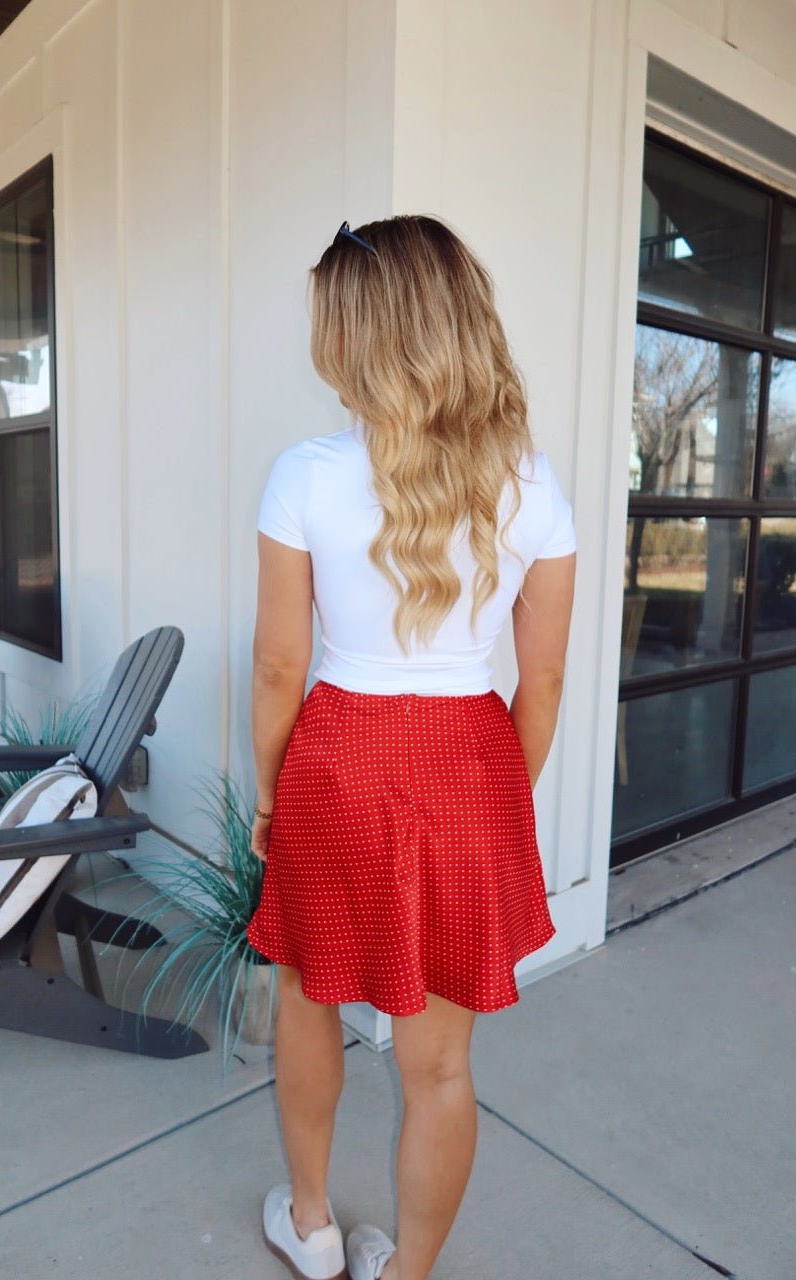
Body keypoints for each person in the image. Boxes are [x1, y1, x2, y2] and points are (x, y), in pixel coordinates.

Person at [246, 215, 576, 1280]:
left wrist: (270, 794)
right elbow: (547, 680)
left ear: (362, 336)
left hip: (335, 762)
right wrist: (493, 805)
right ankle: (409, 1272)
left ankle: (310, 1222)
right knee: (438, 1065)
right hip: (470, 765)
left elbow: (276, 672)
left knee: (308, 992)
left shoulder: (303, 473)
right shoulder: (533, 484)